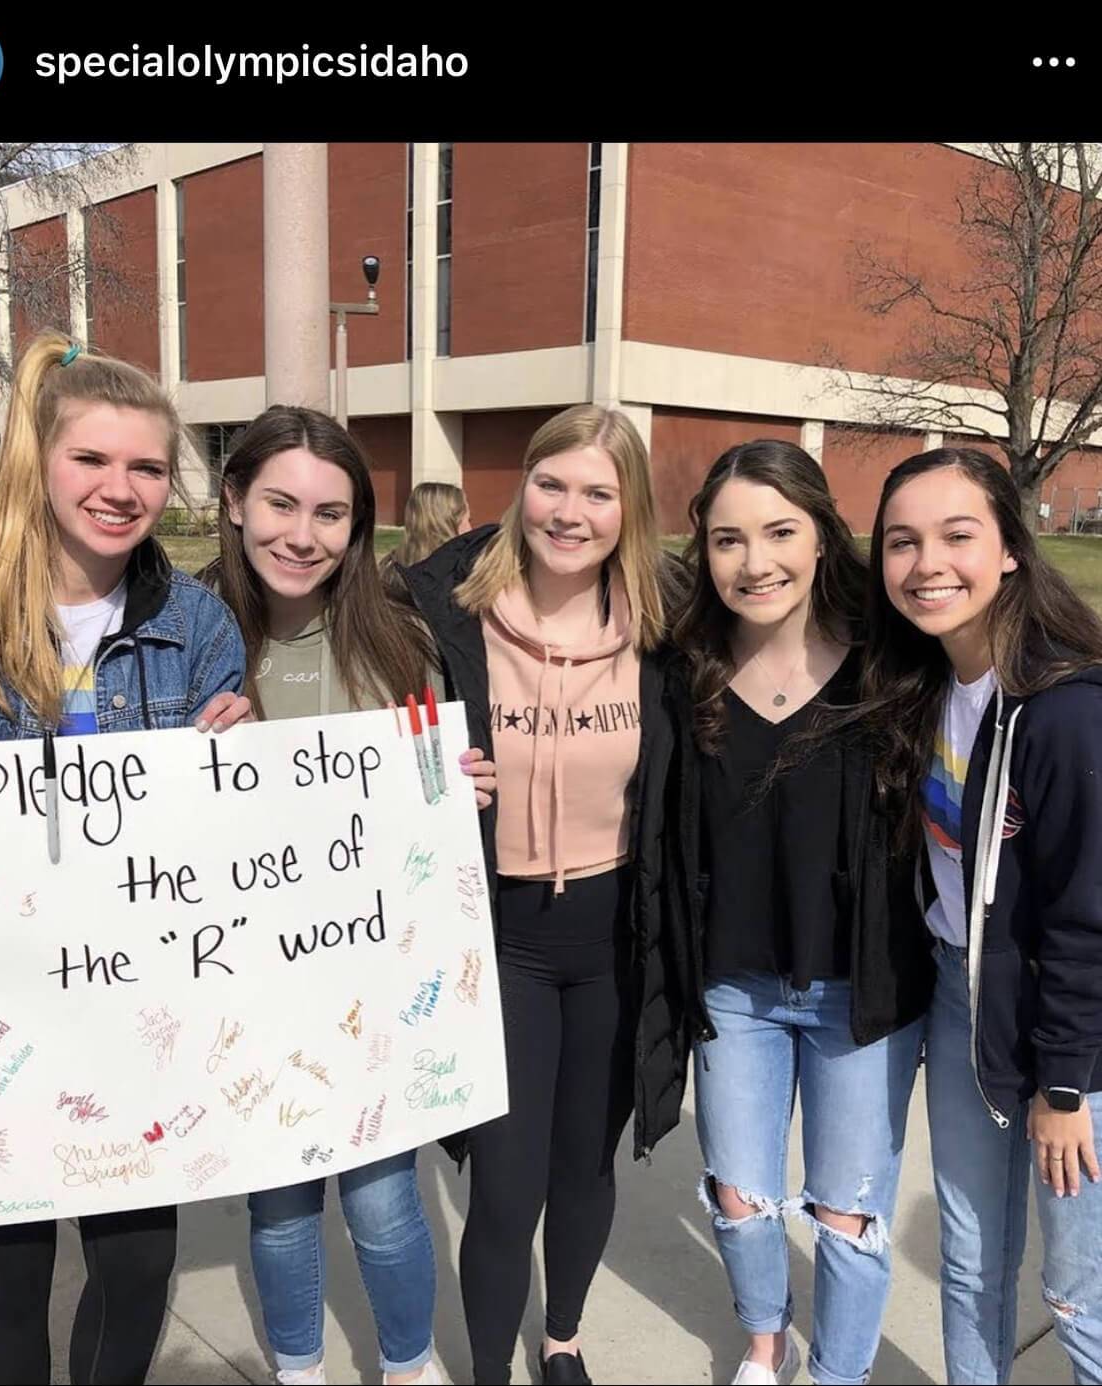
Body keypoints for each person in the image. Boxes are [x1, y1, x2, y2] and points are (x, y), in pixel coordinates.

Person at [0, 329, 250, 1385]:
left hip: (130, 992)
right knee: (8, 1265)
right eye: (93, 459)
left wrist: (235, 768)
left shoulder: (199, 628)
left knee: (137, 1262)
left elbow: (213, 839)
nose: (121, 488)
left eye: (145, 466)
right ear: (40, 461)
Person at [204, 404, 494, 1386]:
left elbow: (425, 779)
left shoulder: (398, 636)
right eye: (281, 502)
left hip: (374, 975)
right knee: (281, 1211)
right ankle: (298, 1371)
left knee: (382, 1204)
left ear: (359, 527)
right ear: (235, 500)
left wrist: (456, 786)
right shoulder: (188, 637)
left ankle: (407, 1371)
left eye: (331, 514)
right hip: (243, 984)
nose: (304, 534)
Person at [402, 403, 687, 1386]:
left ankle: (561, 1339)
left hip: (615, 936)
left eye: (598, 492)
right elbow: (350, 715)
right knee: (508, 1184)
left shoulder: (663, 621)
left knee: (586, 1168)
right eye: (551, 483)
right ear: (520, 486)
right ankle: (490, 1370)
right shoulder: (438, 611)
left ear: (630, 509)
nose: (570, 511)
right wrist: (426, 776)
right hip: (501, 937)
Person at [669, 439, 932, 1386]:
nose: (756, 561)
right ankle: (766, 1338)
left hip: (859, 996)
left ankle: (839, 1373)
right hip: (732, 990)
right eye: (729, 539)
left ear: (824, 536)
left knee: (847, 1213)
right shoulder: (683, 668)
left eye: (780, 531)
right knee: (740, 1198)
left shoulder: (895, 670)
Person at [865, 447, 1102, 1384]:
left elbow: (1089, 919)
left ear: (1010, 546)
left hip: (1073, 1044)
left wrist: (1065, 1089)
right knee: (969, 1265)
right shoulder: (924, 685)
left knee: (1080, 1294)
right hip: (967, 1015)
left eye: (958, 535)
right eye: (902, 542)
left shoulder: (1066, 710)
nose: (929, 564)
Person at [381, 482, 471, 574]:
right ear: (447, 524)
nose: (471, 528)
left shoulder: (389, 569)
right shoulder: (462, 573)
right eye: (468, 520)